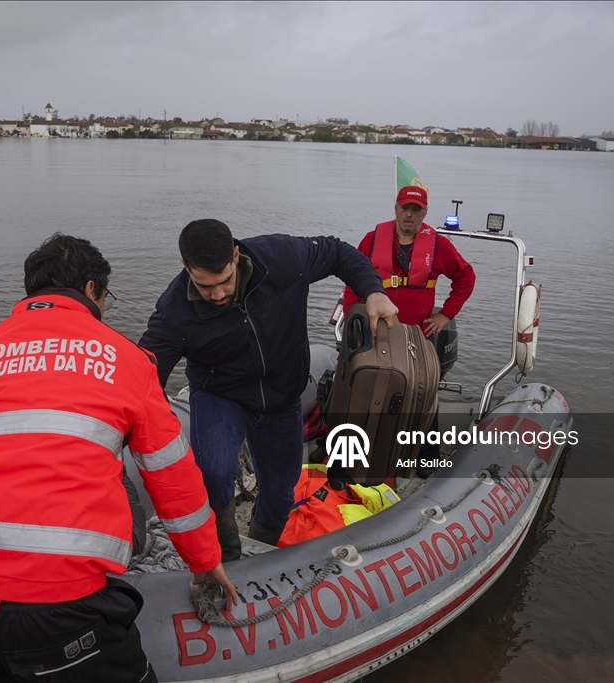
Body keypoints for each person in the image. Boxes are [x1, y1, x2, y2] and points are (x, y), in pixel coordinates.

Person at [0, 233, 236, 683]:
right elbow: (172, 476)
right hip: (59, 604)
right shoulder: (127, 360)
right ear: (91, 290)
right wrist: (205, 563)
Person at [138, 219, 398, 560]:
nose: (218, 294)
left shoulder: (283, 258)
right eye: (205, 286)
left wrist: (374, 291)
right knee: (214, 474)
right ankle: (227, 555)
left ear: (235, 256)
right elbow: (144, 376)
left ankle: (262, 549)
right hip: (221, 398)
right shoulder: (174, 312)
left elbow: (337, 252)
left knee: (279, 495)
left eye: (225, 281)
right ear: (186, 267)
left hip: (282, 397)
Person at [340, 185, 476, 465]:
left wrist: (445, 315)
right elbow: (352, 281)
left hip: (418, 336)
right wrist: (353, 318)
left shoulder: (439, 245)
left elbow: (466, 277)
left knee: (422, 395)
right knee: (369, 389)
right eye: (405, 208)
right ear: (396, 209)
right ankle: (362, 452)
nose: (410, 215)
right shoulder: (372, 240)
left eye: (416, 210)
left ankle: (427, 458)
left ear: (424, 213)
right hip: (377, 331)